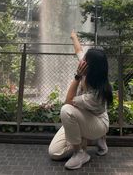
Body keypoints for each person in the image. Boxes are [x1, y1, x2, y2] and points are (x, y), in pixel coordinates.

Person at [48, 31, 113, 170]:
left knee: (67, 110)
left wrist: (77, 76)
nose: (82, 61)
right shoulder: (88, 69)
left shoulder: (96, 93)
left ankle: (80, 152)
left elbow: (68, 101)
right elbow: (79, 49)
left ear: (90, 67)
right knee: (55, 153)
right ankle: (88, 139)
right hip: (83, 117)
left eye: (85, 60)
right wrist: (74, 36)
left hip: (98, 122)